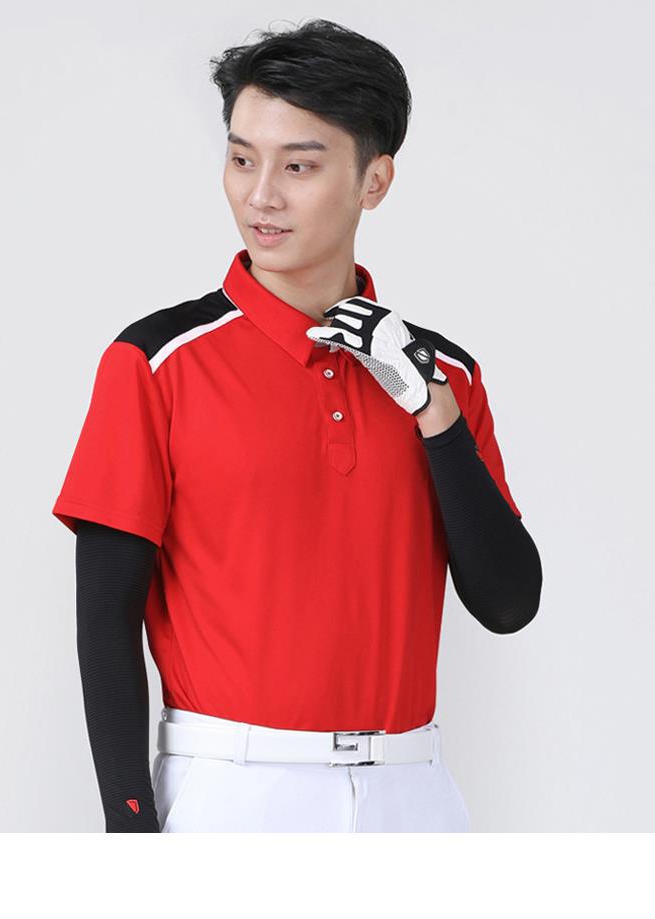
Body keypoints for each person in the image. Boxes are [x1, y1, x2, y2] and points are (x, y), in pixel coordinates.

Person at [52, 18, 542, 833]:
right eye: (243, 159)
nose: (261, 196)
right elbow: (105, 618)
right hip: (231, 791)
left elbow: (508, 601)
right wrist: (129, 828)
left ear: (374, 180)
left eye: (299, 166)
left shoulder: (445, 377)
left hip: (413, 791)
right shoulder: (156, 362)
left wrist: (435, 415)